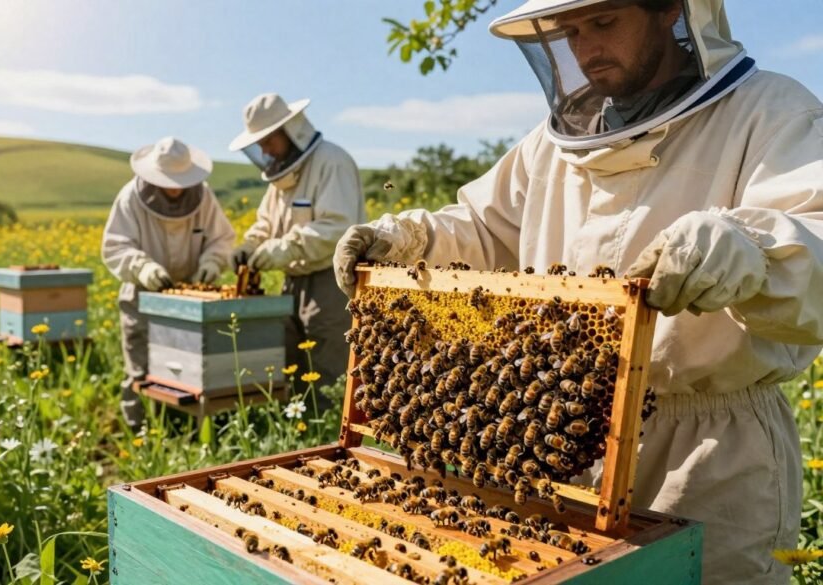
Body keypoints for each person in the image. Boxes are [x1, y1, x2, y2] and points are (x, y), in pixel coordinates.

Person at [335, 1, 823, 583]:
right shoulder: (554, 144)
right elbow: (484, 229)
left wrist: (748, 248)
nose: (585, 49)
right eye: (569, 32)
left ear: (670, 8)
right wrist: (410, 241)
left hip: (710, 452)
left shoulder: (770, 110)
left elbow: (814, 234)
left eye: (604, 22)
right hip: (557, 439)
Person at [229, 93, 366, 397]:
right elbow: (266, 222)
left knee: (329, 373)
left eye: (268, 140)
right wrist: (251, 245)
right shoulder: (280, 175)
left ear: (290, 131)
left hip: (331, 284)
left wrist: (283, 249)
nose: (264, 149)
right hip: (292, 284)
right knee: (294, 365)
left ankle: (330, 438)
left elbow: (337, 229)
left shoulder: (332, 162)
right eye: (259, 143)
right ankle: (302, 435)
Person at [102, 136, 234, 429]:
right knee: (140, 368)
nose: (175, 190)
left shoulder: (204, 197)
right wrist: (142, 267)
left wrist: (212, 262)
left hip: (190, 297)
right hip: (142, 294)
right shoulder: (130, 197)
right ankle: (142, 432)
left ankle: (187, 430)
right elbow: (115, 246)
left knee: (189, 369)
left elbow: (221, 239)